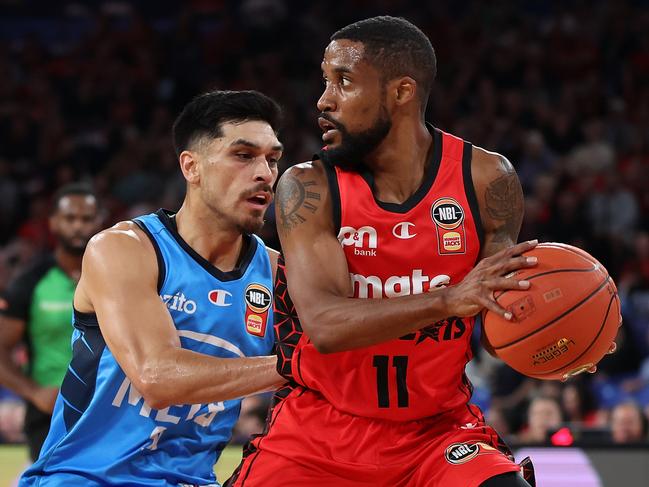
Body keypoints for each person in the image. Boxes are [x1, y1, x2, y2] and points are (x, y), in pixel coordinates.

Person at [229, 16, 610, 487]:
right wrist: (448, 300)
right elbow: (325, 326)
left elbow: (497, 318)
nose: (323, 100)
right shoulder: (308, 187)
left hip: (437, 434)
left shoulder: (487, 179)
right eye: (325, 81)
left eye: (343, 82)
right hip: (319, 431)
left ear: (401, 92)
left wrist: (567, 337)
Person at [20, 90, 285, 486]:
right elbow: (158, 377)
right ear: (191, 167)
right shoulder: (124, 248)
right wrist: (296, 366)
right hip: (85, 478)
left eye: (273, 158)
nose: (265, 172)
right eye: (244, 155)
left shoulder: (277, 272)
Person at [0, 183, 102, 461]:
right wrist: (34, 392)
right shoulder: (31, 282)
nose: (79, 226)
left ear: (100, 221)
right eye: (70, 218)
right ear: (54, 223)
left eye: (87, 218)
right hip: (50, 416)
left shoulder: (121, 278)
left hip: (107, 413)